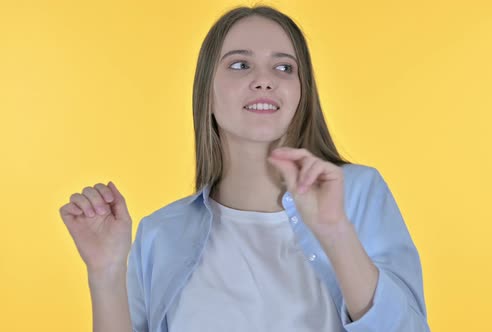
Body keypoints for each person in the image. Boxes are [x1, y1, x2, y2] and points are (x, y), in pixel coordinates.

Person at [59, 5, 430, 332]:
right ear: (206, 93)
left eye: (284, 67)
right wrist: (106, 274)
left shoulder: (359, 193)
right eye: (240, 64)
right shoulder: (160, 234)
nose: (265, 79)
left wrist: (335, 232)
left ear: (302, 93)